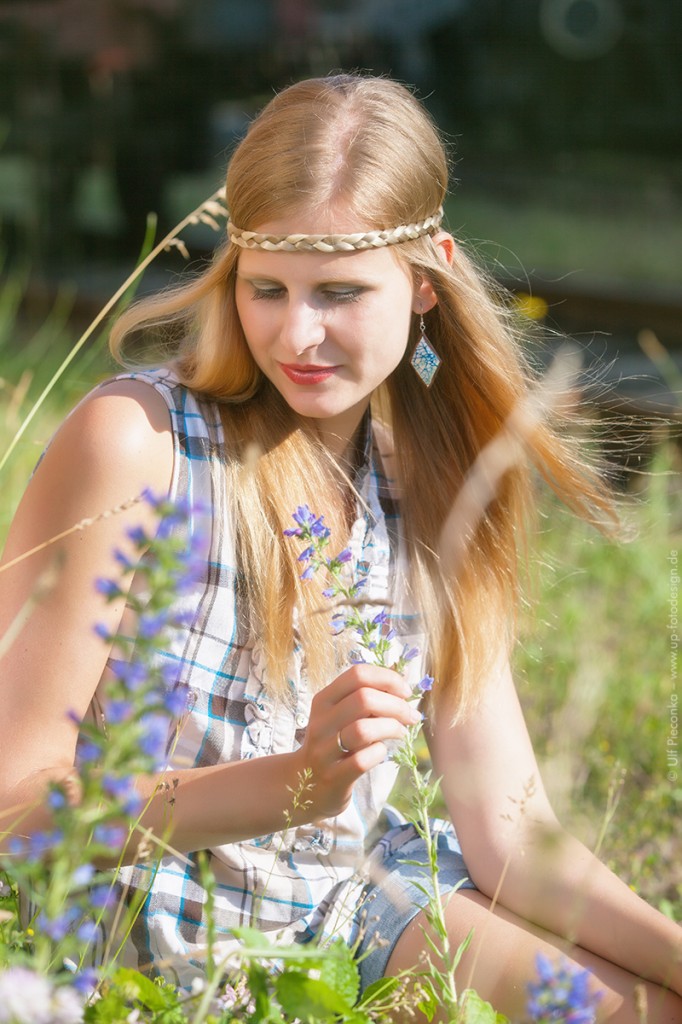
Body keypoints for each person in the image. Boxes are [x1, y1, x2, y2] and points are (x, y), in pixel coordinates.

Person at [0, 74, 680, 1022]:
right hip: (136, 941)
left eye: (341, 293)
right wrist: (290, 786)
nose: (296, 333)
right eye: (266, 288)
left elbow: (510, 831)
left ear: (426, 282)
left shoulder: (438, 479)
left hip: (354, 907)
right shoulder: (142, 443)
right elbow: (14, 805)